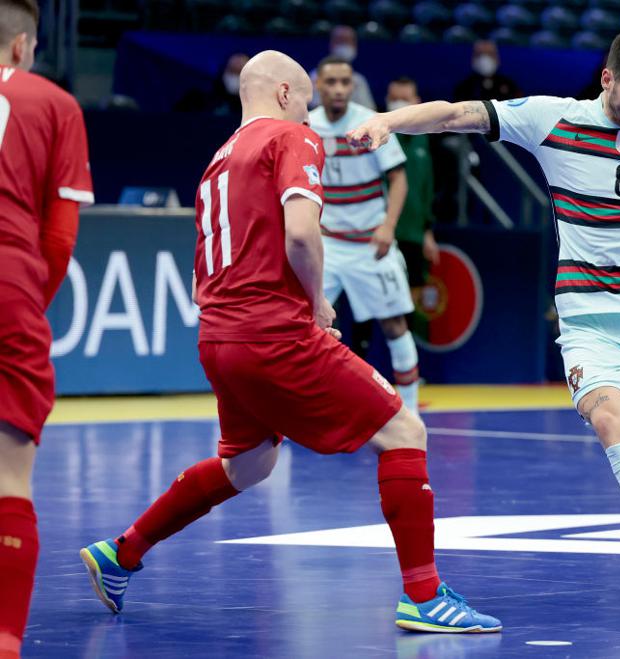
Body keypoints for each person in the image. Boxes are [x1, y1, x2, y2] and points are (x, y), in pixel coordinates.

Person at [78, 50, 499, 634]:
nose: (308, 112)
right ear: (283, 95)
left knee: (248, 464)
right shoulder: (292, 139)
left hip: (219, 338)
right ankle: (423, 597)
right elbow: (302, 234)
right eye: (303, 99)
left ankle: (121, 552)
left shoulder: (216, 162)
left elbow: (204, 266)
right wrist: (317, 301)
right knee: (404, 429)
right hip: (273, 331)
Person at [349, 28, 620, 608]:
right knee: (610, 421)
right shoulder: (553, 120)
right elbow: (456, 114)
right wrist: (387, 121)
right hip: (591, 318)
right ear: (607, 79)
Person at [0, 1, 93, 656]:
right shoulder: (54, 103)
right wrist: (30, 297)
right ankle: (4, 640)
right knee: (10, 477)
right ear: (25, 45)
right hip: (9, 280)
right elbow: (59, 237)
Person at [310, 57, 421, 411]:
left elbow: (399, 178)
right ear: (319, 86)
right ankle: (305, 406)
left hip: (369, 243)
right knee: (306, 325)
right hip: (326, 244)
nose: (339, 89)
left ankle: (411, 410)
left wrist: (388, 227)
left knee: (394, 325)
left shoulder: (370, 122)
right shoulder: (306, 125)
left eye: (346, 82)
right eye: (332, 82)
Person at [386, 76, 440, 308]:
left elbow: (427, 188)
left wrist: (427, 231)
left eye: (404, 99)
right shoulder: (379, 136)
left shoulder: (426, 140)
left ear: (417, 101)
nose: (398, 104)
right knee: (372, 305)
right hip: (381, 233)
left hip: (414, 234)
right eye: (394, 99)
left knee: (411, 301)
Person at [322, 26, 375, 110]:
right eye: (340, 40)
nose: (339, 90)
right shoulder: (317, 76)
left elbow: (369, 110)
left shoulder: (359, 80)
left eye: (347, 40)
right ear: (331, 43)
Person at [453, 40, 521, 102]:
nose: (485, 58)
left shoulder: (509, 85)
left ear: (497, 58)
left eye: (489, 54)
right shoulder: (464, 87)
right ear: (473, 58)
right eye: (479, 54)